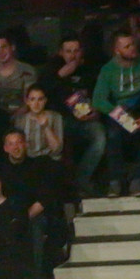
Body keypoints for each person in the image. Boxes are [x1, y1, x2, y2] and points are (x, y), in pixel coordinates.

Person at [91, 31, 140, 197]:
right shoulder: (108, 69)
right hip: (120, 111)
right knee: (112, 135)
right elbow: (98, 100)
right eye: (127, 46)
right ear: (117, 50)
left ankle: (138, 180)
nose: (132, 48)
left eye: (133, 44)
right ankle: (115, 181)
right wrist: (121, 117)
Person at [37, 35, 105, 197]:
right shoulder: (51, 69)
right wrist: (59, 76)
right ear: (61, 52)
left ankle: (81, 179)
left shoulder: (90, 69)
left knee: (100, 137)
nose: (73, 55)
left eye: (76, 51)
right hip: (60, 119)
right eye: (68, 51)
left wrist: (96, 111)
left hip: (87, 119)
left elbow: (100, 95)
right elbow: (39, 93)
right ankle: (65, 186)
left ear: (82, 51)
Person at [0, 32, 37, 114]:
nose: (1, 52)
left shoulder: (27, 70)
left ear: (13, 47)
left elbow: (31, 101)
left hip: (22, 116)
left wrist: (15, 116)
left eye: (4, 47)